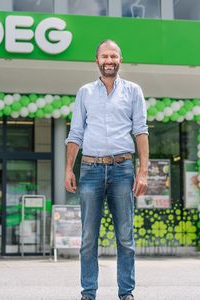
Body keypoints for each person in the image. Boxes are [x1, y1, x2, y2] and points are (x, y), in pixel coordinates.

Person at [65, 40, 149, 300]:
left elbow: (141, 131)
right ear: (97, 60)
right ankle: (88, 293)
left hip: (123, 170)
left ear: (120, 60)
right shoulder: (85, 92)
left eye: (113, 55)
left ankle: (127, 293)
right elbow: (75, 133)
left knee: (125, 237)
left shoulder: (134, 91)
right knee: (88, 237)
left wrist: (143, 170)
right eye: (104, 55)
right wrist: (69, 168)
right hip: (90, 169)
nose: (109, 59)